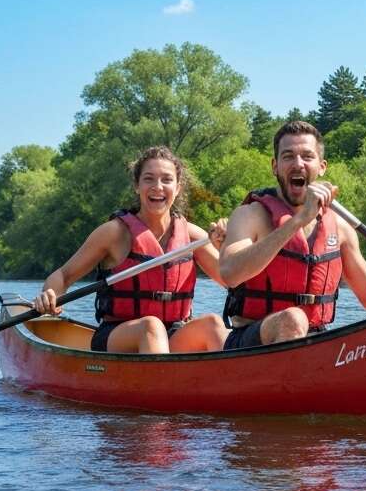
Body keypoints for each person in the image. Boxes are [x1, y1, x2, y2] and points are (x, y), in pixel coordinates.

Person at [218, 120, 366, 349]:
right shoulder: (249, 215)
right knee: (293, 319)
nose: (298, 164)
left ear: (322, 167)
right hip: (249, 342)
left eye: (307, 156)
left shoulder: (340, 226)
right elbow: (230, 273)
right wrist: (297, 222)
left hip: (314, 341)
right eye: (288, 156)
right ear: (275, 166)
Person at [31, 146, 229, 354]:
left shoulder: (193, 237)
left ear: (178, 187)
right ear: (137, 185)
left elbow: (232, 279)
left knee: (213, 324)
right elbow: (63, 275)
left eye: (167, 180)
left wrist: (224, 249)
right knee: (151, 326)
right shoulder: (114, 234)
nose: (157, 187)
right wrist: (49, 296)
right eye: (149, 179)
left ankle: (230, 383)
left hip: (174, 335)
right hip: (118, 335)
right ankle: (162, 384)